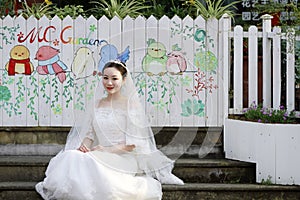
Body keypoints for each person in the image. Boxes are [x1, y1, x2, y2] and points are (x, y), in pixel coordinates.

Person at [35, 60, 183, 200]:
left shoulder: (131, 106)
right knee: (72, 155)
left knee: (92, 160)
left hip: (124, 156)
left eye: (114, 78)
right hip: (99, 152)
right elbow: (90, 135)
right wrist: (84, 146)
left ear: (124, 80)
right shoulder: (97, 104)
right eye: (105, 78)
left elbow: (133, 144)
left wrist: (105, 149)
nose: (109, 82)